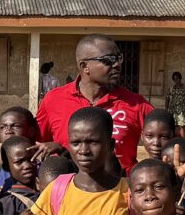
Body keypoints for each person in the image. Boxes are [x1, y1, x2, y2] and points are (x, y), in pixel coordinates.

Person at [36, 35, 153, 171]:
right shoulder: (54, 100)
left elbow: (168, 141)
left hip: (121, 190)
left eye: (119, 58)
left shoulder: (137, 104)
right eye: (108, 60)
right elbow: (35, 142)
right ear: (85, 66)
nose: (117, 65)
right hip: (70, 189)